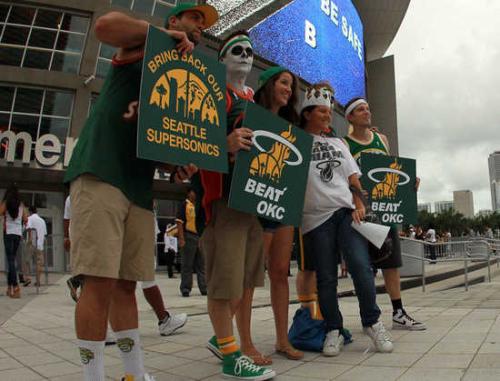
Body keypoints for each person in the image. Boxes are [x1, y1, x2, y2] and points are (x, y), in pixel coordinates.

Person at [62, 3, 215, 381]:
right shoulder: (152, 44)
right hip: (101, 171)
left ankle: (134, 373)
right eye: (194, 17)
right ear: (174, 21)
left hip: (138, 185)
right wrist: (161, 36)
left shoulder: (186, 77)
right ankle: (93, 376)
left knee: (127, 284)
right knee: (99, 280)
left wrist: (176, 162)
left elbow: (155, 135)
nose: (199, 26)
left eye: (203, 23)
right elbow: (105, 25)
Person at [193, 30, 275, 380]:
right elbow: (190, 140)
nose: (245, 55)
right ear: (222, 58)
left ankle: (221, 338)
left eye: (249, 52)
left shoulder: (251, 101)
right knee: (225, 281)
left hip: (251, 201)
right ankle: (230, 357)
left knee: (245, 281)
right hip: (223, 199)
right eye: (236, 50)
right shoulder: (212, 93)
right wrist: (224, 144)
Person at [300, 83, 393, 357]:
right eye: (322, 111)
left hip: (345, 213)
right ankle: (333, 329)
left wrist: (359, 203)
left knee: (362, 268)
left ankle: (372, 322)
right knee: (326, 277)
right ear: (307, 113)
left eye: (329, 111)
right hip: (315, 218)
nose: (328, 116)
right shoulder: (297, 141)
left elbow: (353, 177)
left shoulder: (339, 143)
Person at [344, 97, 426, 331]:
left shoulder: (382, 140)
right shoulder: (345, 144)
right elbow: (345, 179)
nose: (366, 112)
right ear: (350, 116)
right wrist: (355, 203)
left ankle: (398, 312)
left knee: (391, 263)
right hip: (361, 212)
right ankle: (370, 316)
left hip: (384, 210)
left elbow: (392, 171)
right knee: (364, 267)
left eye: (368, 108)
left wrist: (409, 182)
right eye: (361, 109)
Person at [249, 66, 303, 360]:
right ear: (268, 84)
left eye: (291, 86)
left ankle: (282, 340)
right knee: (251, 273)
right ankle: (236, 340)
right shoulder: (248, 113)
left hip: (283, 202)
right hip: (256, 201)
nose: (289, 89)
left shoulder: (291, 125)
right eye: (284, 83)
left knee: (280, 272)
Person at [176, 188, 207, 296]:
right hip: (188, 235)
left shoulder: (199, 206)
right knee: (187, 264)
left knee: (202, 263)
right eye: (193, 192)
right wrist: (181, 238)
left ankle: (204, 287)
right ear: (189, 193)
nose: (195, 194)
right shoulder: (184, 204)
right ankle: (185, 288)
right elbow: (179, 222)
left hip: (199, 235)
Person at [1, 184, 27, 298]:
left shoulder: (7, 202)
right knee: (12, 260)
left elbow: (0, 211)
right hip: (18, 234)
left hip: (8, 233)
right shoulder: (21, 204)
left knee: (10, 260)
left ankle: (16, 287)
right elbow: (25, 219)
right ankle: (9, 288)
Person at [26, 206, 47, 287]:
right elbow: (44, 234)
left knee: (27, 260)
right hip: (40, 245)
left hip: (32, 243)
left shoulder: (30, 218)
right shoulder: (42, 221)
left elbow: (28, 228)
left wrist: (29, 239)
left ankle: (27, 278)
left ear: (30, 211)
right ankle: (38, 281)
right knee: (39, 263)